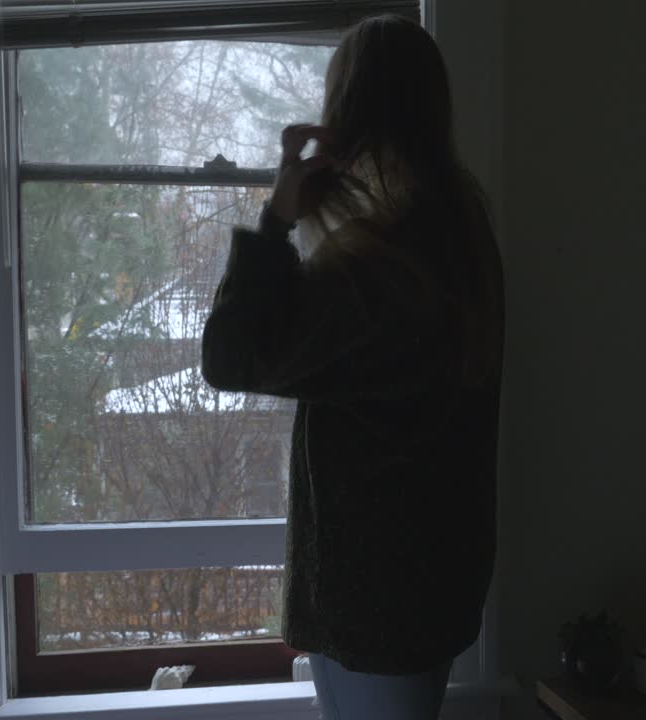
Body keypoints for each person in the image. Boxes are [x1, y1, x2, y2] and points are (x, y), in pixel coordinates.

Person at [200, 14, 504, 720]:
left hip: (374, 608)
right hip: (426, 592)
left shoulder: (382, 276)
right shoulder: (460, 234)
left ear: (348, 115)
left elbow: (229, 354)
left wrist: (279, 212)